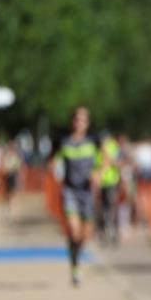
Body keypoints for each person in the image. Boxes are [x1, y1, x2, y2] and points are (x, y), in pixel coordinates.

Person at [51, 106, 99, 286]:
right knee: (73, 229)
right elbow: (53, 160)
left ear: (88, 123)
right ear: (72, 121)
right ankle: (75, 266)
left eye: (83, 120)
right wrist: (55, 168)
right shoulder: (63, 141)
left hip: (87, 192)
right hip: (69, 190)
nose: (79, 123)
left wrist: (98, 172)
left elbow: (108, 158)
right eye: (76, 119)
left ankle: (75, 257)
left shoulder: (94, 140)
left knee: (85, 235)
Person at [96, 131, 122, 246]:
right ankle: (102, 232)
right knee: (101, 208)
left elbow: (117, 162)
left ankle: (113, 231)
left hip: (112, 181)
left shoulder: (113, 146)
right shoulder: (96, 148)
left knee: (111, 206)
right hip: (99, 182)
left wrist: (107, 156)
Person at [2, 141, 22, 221]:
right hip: (7, 178)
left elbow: (17, 168)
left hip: (13, 177)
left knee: (14, 196)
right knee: (7, 196)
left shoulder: (15, 157)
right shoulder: (6, 157)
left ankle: (14, 213)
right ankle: (8, 212)